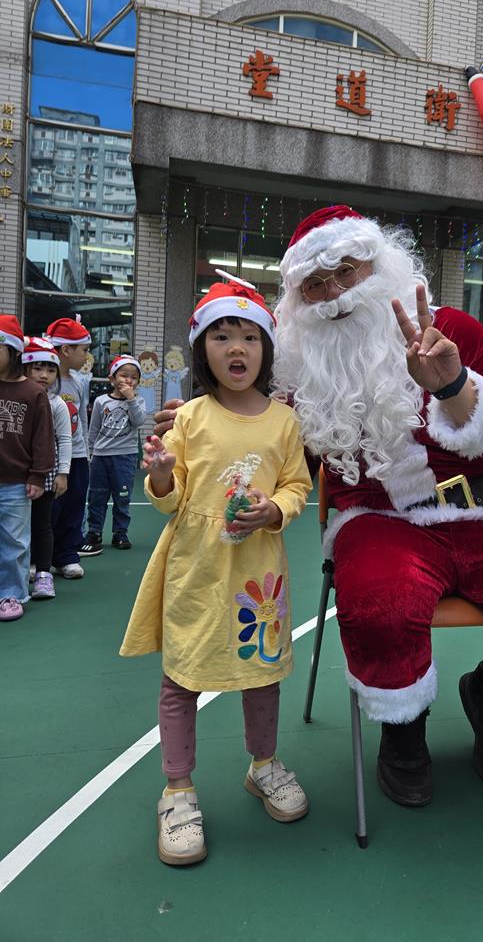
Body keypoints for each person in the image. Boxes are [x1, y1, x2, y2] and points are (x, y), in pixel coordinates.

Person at [158, 206, 483, 809]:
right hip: (378, 523)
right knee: (382, 606)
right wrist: (204, 427)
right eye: (315, 284)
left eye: (346, 271)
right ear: (297, 302)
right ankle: (403, 730)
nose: (334, 294)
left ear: (380, 266)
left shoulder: (451, 329)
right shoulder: (297, 372)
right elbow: (267, 454)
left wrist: (452, 388)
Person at [120, 274, 312, 866]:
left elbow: (297, 484)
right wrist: (160, 475)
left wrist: (274, 509)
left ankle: (263, 764)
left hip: (258, 575)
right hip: (197, 569)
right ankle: (177, 789)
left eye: (250, 337)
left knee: (261, 674)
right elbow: (170, 497)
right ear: (203, 349)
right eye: (222, 335)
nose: (237, 348)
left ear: (266, 350)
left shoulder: (284, 422)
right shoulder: (190, 418)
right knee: (182, 677)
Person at [0, 316, 55, 622]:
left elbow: (43, 438)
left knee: (14, 542)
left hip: (16, 482)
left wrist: (38, 475)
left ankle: (11, 593)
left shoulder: (33, 393)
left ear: (12, 351)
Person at [79, 355, 146, 556]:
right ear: (112, 378)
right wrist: (91, 452)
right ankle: (94, 532)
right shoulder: (101, 401)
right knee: (97, 496)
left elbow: (139, 421)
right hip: (101, 456)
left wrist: (131, 399)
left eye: (134, 377)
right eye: (124, 375)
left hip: (125, 456)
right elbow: (94, 429)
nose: (128, 380)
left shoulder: (138, 401)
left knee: (122, 497)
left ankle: (120, 533)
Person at [22, 337, 72, 600]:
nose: (44, 375)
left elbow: (65, 439)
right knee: (15, 526)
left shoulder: (57, 404)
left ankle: (43, 573)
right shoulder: (15, 397)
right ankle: (20, 570)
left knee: (42, 524)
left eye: (51, 370)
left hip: (47, 476)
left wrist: (63, 472)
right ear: (24, 367)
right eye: (38, 368)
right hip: (16, 474)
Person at [45, 316, 91, 579]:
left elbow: (82, 418)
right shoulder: (45, 381)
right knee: (50, 508)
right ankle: (41, 557)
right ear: (66, 350)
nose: (87, 356)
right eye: (84, 350)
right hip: (51, 457)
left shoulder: (79, 381)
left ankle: (67, 556)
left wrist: (86, 451)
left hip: (77, 455)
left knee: (74, 504)